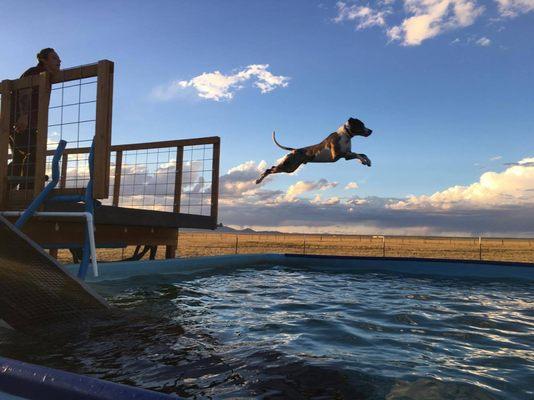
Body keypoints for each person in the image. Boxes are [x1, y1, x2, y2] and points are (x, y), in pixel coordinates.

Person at [9, 48, 61, 189]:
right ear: (43, 60)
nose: (59, 61)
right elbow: (24, 93)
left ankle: (10, 185)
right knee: (34, 151)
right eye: (54, 58)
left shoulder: (46, 76)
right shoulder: (35, 72)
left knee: (21, 156)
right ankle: (28, 186)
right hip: (20, 122)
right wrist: (24, 116)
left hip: (27, 123)